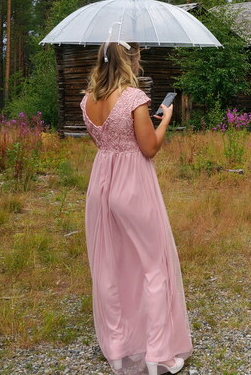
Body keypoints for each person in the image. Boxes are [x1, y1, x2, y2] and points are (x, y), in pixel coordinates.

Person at [81, 40, 191, 375]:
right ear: (131, 60)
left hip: (101, 184)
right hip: (132, 186)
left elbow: (105, 142)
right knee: (153, 265)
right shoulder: (133, 97)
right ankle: (157, 355)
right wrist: (166, 119)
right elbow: (149, 148)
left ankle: (117, 350)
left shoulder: (87, 100)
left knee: (109, 265)